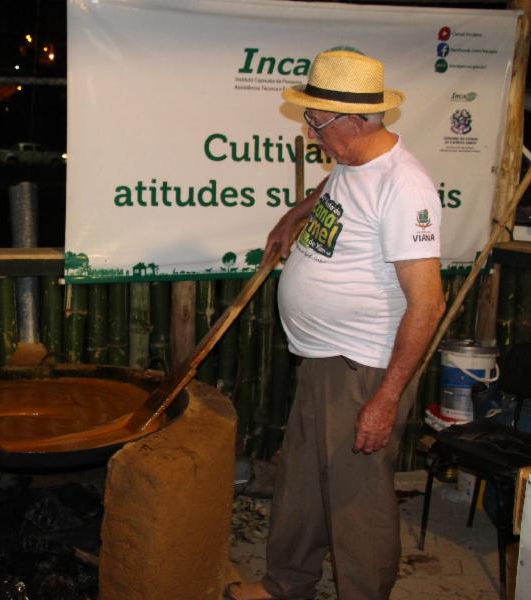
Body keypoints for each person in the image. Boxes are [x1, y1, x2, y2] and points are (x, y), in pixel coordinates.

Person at [224, 50, 445, 600]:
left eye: (316, 122)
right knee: (301, 479)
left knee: (357, 503)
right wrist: (293, 215)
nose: (309, 132)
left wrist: (386, 398)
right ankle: (285, 583)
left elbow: (428, 305)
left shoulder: (405, 185)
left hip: (362, 368)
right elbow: (331, 191)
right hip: (324, 359)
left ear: (353, 120)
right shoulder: (353, 162)